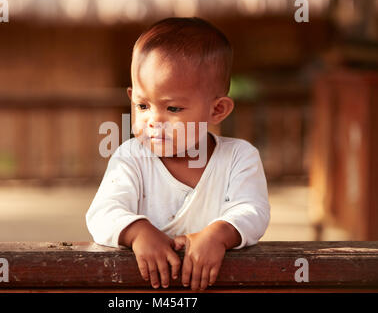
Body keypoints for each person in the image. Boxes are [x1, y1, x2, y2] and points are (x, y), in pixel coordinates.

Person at [86, 17, 270, 291]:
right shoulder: (131, 158)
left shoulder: (239, 157)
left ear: (217, 110)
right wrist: (137, 232)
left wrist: (219, 234)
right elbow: (102, 214)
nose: (153, 121)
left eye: (172, 109)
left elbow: (253, 211)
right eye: (143, 105)